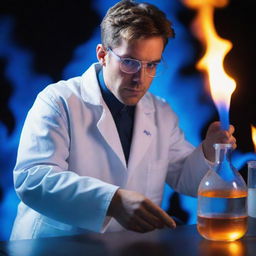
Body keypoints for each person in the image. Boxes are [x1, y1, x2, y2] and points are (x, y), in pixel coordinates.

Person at [10, 0, 236, 240]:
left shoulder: (160, 112)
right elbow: (32, 179)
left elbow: (185, 179)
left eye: (151, 65)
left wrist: (208, 152)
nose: (141, 78)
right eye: (130, 62)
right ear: (103, 55)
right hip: (53, 245)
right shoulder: (58, 101)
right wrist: (112, 201)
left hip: (128, 246)